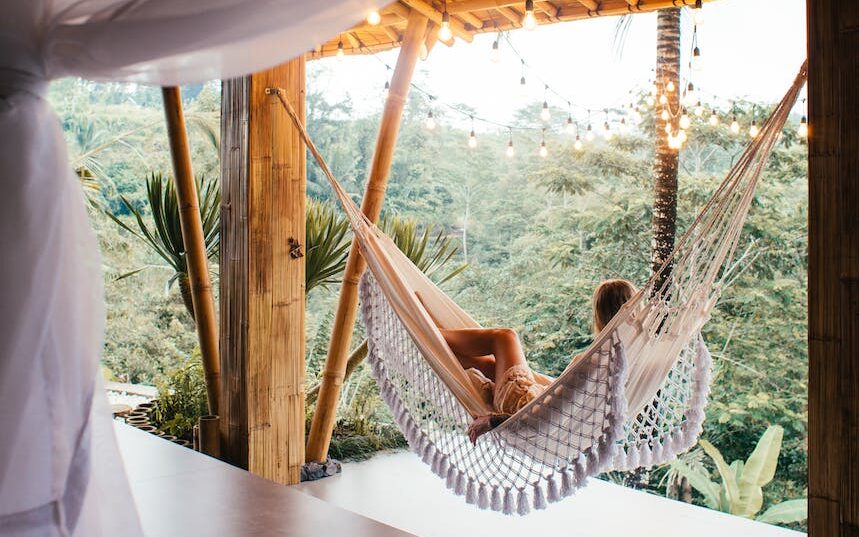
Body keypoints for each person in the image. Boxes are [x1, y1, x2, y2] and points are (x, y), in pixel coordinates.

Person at [433, 279, 637, 443]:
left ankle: (428, 330)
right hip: (526, 402)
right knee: (485, 365)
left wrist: (494, 421)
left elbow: (551, 409)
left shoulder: (594, 361)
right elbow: (560, 393)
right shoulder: (623, 358)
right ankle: (425, 333)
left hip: (521, 405)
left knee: (505, 337)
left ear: (600, 314)